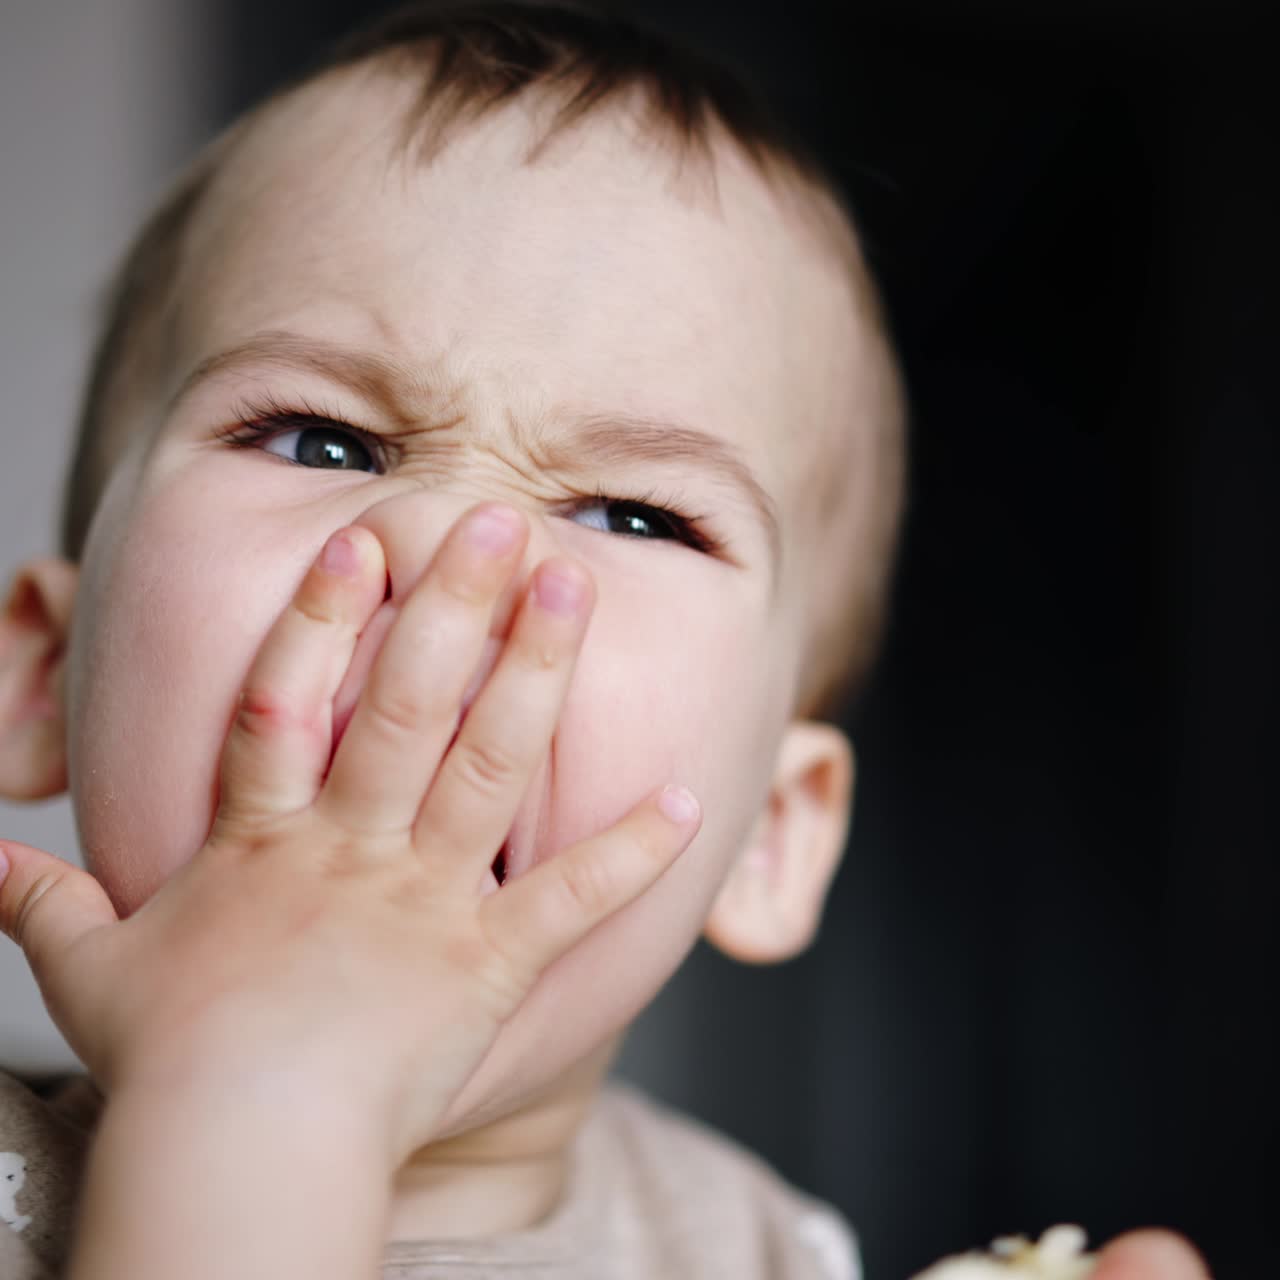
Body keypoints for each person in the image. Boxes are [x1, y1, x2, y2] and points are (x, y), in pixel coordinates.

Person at [0, 3, 1209, 1277]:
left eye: (636, 514)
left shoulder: (767, 1251)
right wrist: (258, 1084)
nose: (458, 548)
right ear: (43, 673)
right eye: (322, 439)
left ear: (769, 835)